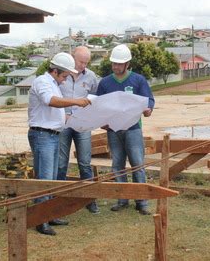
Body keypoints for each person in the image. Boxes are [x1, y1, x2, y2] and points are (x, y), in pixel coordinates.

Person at [28, 52, 91, 236]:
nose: (65, 81)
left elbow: (56, 109)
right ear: (55, 71)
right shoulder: (42, 82)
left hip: (53, 135)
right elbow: (51, 102)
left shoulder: (54, 84)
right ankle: (41, 219)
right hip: (42, 135)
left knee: (53, 177)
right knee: (45, 178)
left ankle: (50, 214)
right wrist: (76, 102)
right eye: (64, 76)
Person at [96, 44, 155, 215]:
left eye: (119, 64)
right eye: (114, 63)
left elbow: (149, 100)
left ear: (127, 63)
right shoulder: (105, 83)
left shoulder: (138, 80)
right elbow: (98, 105)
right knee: (117, 165)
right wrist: (101, 120)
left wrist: (148, 109)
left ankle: (141, 201)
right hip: (113, 130)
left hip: (133, 128)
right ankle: (122, 198)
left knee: (137, 164)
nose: (116, 67)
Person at [57, 46, 100, 214]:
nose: (83, 65)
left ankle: (89, 199)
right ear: (73, 58)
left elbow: (95, 97)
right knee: (61, 163)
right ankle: (57, 199)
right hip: (63, 123)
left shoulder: (91, 76)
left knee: (85, 162)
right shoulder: (62, 75)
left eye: (86, 62)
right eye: (81, 61)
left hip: (82, 124)